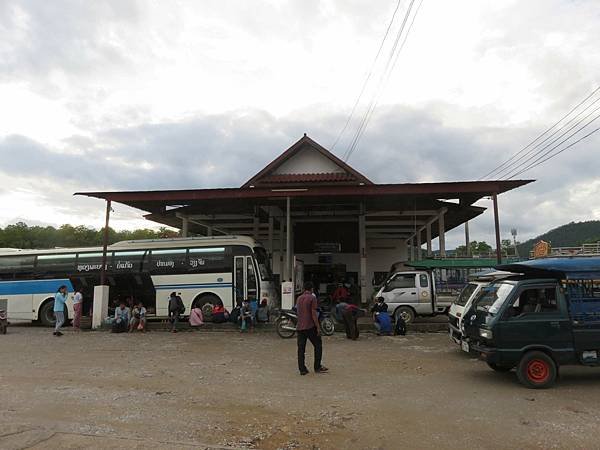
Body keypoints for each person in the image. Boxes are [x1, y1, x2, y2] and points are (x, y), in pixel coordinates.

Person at [296, 281, 328, 375]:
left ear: (303, 289)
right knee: (318, 345)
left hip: (300, 326)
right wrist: (318, 327)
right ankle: (317, 366)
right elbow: (313, 313)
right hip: (310, 326)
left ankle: (302, 369)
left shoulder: (299, 298)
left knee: (301, 349)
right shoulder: (312, 298)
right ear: (312, 289)